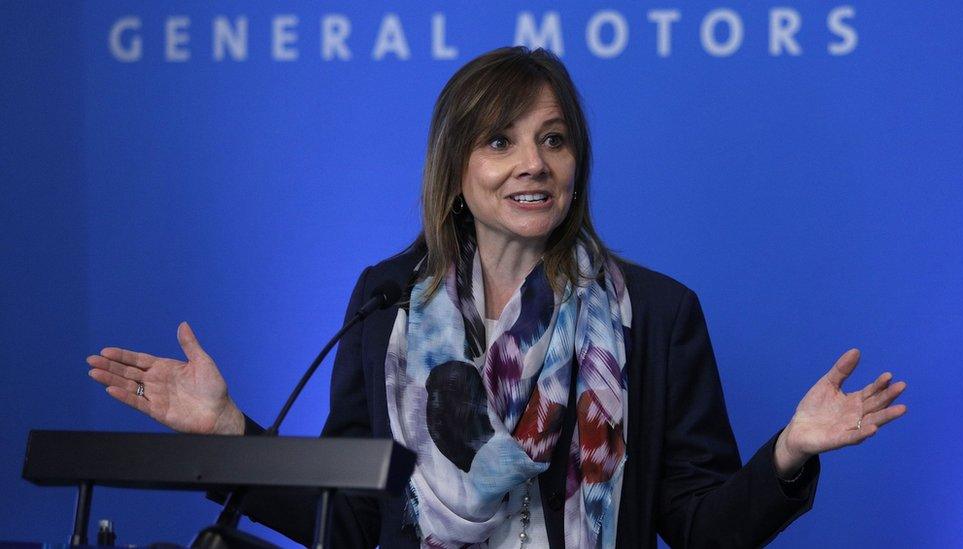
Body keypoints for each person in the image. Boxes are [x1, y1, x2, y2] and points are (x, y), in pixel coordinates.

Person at [86, 47, 907, 548]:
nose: (533, 164)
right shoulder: (387, 306)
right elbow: (354, 518)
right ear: (455, 167)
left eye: (554, 139)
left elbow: (700, 528)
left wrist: (790, 453)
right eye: (500, 140)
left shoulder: (655, 316)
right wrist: (231, 433)